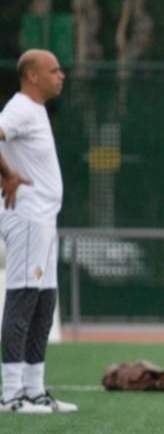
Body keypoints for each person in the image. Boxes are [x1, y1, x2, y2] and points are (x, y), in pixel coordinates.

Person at [0, 49, 77, 413]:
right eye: (54, 70)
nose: (61, 75)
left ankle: (33, 389)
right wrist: (7, 174)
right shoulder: (19, 108)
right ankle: (11, 394)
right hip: (27, 216)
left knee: (44, 303)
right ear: (32, 76)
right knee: (22, 300)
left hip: (45, 219)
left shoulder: (37, 111)